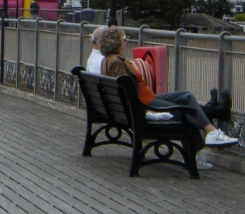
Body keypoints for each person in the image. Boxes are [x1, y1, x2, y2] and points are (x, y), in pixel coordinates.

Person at [99, 26, 237, 163]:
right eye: (124, 39)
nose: (126, 42)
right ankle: (200, 150)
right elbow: (127, 93)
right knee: (186, 112)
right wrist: (146, 111)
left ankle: (212, 131)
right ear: (115, 42)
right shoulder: (117, 63)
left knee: (186, 96)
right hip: (145, 104)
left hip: (144, 100)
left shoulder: (110, 60)